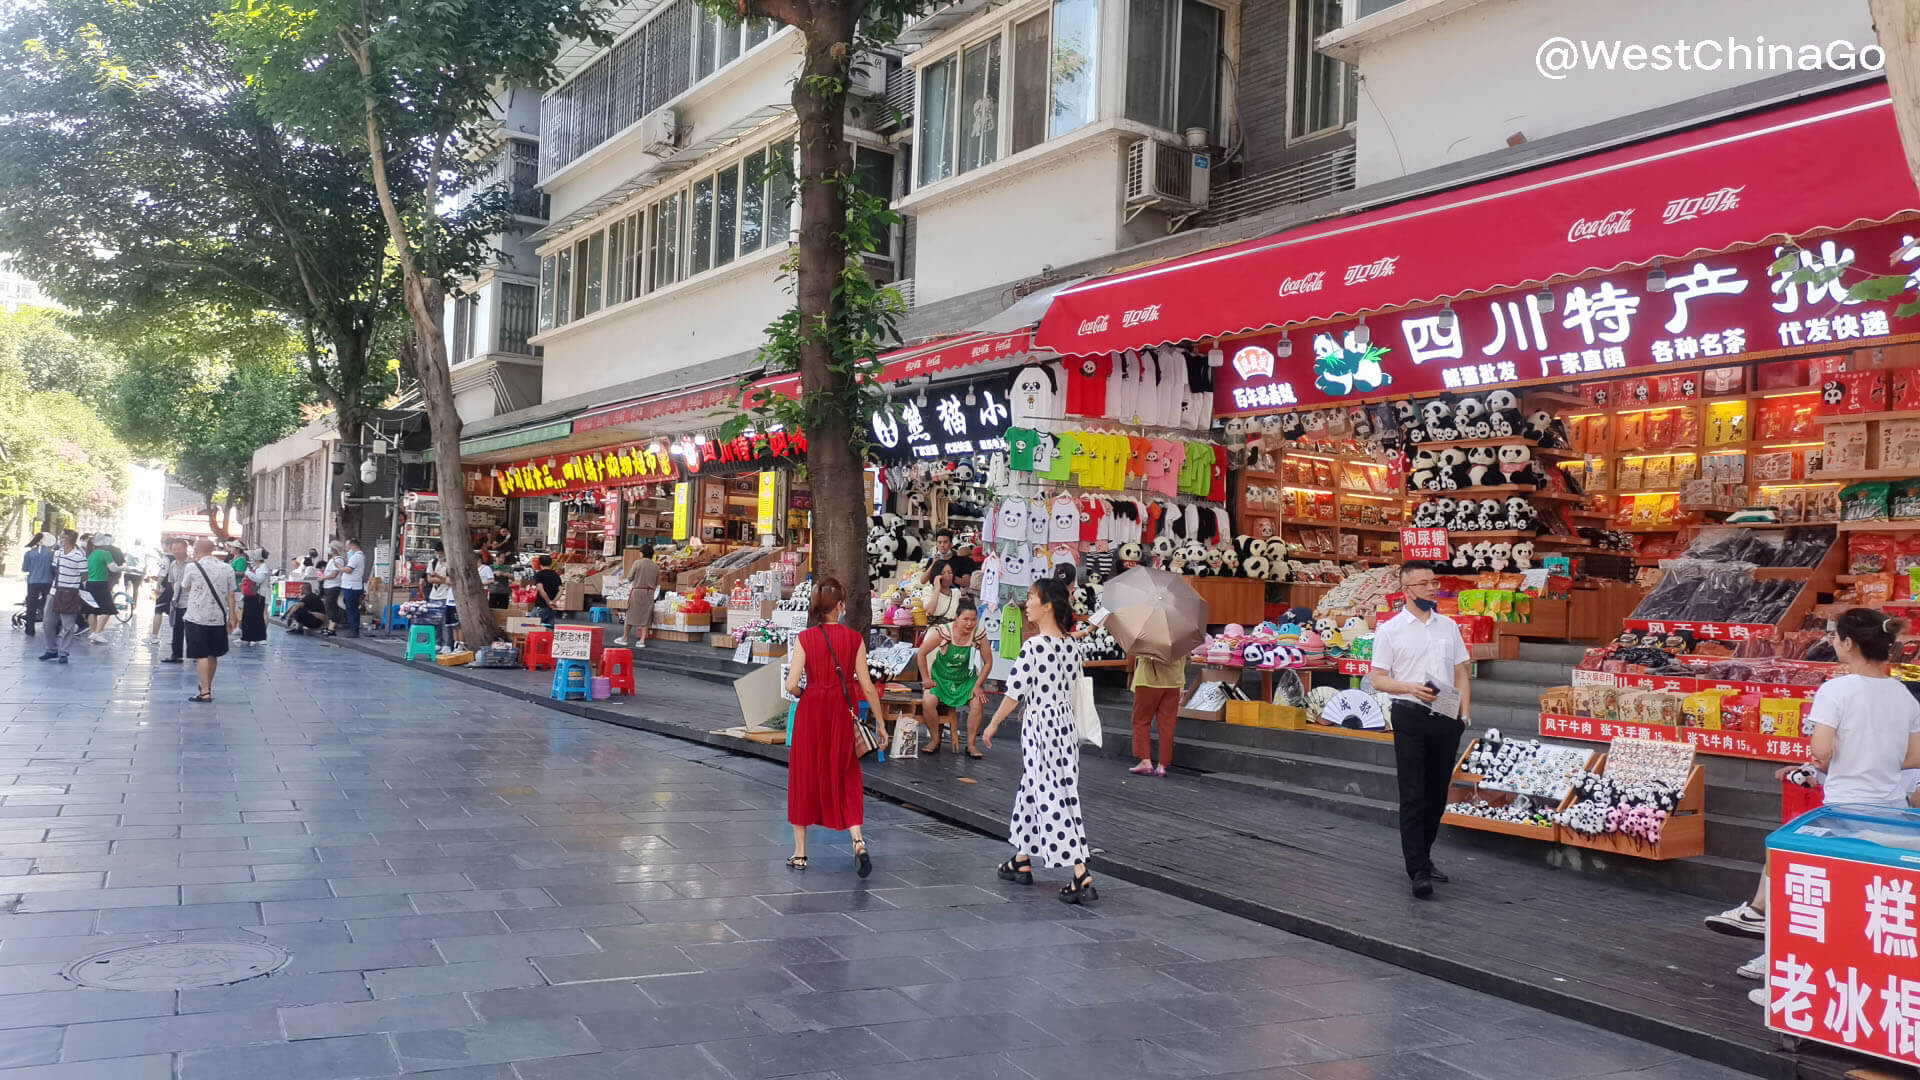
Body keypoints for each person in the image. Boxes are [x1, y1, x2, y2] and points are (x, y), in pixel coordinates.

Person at [1703, 609, 1920, 992]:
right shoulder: (1903, 694)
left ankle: (1767, 933)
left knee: (1794, 868)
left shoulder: (1836, 690)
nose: (1834, 643)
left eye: (1836, 637)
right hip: (1891, 813)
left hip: (1842, 812)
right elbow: (1914, 757)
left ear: (1849, 643)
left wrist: (1830, 761)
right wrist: (1872, 757)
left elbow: (1821, 752)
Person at [982, 567, 1096, 904]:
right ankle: (1021, 859)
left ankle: (1080, 873)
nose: (1027, 604)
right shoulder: (1071, 648)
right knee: (1035, 789)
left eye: (1032, 598)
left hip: (1040, 725)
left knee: (1049, 794)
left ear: (1047, 606)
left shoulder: (1034, 648)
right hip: (1064, 725)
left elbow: (1014, 692)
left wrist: (992, 724)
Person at [1369, 561, 1472, 899]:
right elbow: (1378, 678)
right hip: (1410, 714)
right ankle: (1417, 870)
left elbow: (1460, 671)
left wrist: (1464, 713)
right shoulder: (1391, 630)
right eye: (1424, 583)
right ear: (1407, 590)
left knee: (1436, 794)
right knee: (1413, 794)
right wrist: (1408, 687)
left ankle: (1425, 856)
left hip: (1446, 715)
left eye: (1434, 582)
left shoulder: (1449, 627)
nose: (1432, 588)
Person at [782, 577, 887, 876]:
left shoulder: (805, 638)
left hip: (811, 713)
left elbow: (792, 684)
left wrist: (807, 694)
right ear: (839, 606)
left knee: (804, 776)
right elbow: (866, 686)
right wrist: (879, 723)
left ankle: (800, 854)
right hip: (842, 713)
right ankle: (857, 841)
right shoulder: (854, 639)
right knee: (846, 775)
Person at [916, 597, 991, 757]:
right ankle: (935, 740)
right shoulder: (943, 632)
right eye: (966, 619)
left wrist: (978, 686)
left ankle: (971, 745)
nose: (970, 624)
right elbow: (921, 653)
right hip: (941, 678)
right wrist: (926, 679)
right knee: (928, 701)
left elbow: (988, 663)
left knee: (978, 704)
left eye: (973, 620)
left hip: (966, 680)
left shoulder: (979, 634)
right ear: (957, 618)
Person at [176, 538, 237, 702]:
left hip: (196, 617)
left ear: (196, 550)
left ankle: (204, 692)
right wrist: (233, 616)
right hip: (218, 617)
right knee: (213, 654)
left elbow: (185, 587)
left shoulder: (192, 567)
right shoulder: (227, 568)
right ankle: (207, 686)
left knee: (201, 655)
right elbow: (232, 594)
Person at [1128, 645, 1188, 778]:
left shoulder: (1148, 634)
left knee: (1141, 721)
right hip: (1173, 681)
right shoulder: (1179, 635)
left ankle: (1145, 760)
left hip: (1148, 680)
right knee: (1168, 724)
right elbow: (1183, 659)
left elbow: (1140, 653)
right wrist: (1181, 684)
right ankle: (1162, 765)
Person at [38, 531, 89, 663]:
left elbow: (84, 576)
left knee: (68, 625)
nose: (60, 539)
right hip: (54, 592)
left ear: (68, 540)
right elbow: (55, 570)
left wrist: (75, 585)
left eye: (62, 537)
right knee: (47, 622)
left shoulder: (79, 556)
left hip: (69, 593)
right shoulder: (58, 553)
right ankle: (51, 649)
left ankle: (63, 652)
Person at [616, 545, 660, 648]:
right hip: (650, 593)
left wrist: (622, 582)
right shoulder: (656, 566)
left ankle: (625, 638)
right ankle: (642, 640)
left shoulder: (637, 563)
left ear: (642, 553)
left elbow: (630, 577)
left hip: (637, 591)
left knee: (631, 614)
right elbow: (658, 582)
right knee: (646, 617)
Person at [83, 532, 120, 643]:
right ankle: (98, 633)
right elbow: (113, 568)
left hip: (90, 584)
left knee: (91, 611)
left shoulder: (90, 554)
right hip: (101, 584)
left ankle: (94, 634)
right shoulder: (105, 553)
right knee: (108, 609)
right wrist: (124, 568)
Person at [425, 540, 460, 653]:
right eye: (437, 553)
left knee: (446, 622)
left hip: (446, 595)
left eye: (440, 552)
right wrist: (441, 579)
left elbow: (450, 581)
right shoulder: (433, 562)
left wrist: (438, 577)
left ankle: (447, 644)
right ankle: (437, 642)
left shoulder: (450, 563)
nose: (439, 555)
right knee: (435, 621)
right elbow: (429, 579)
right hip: (434, 595)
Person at [159, 538, 190, 662]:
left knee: (191, 630)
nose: (175, 552)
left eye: (178, 549)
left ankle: (196, 654)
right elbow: (172, 582)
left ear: (185, 549)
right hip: (177, 601)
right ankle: (176, 654)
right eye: (173, 549)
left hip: (191, 601)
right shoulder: (172, 564)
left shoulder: (192, 564)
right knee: (177, 628)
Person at [20, 532, 52, 638]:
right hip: (47, 581)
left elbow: (25, 569)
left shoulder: (29, 554)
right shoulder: (51, 553)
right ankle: (52, 628)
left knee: (31, 605)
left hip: (33, 581)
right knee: (49, 606)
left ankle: (30, 629)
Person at [239, 548, 271, 646]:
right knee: (247, 616)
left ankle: (259, 637)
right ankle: (246, 636)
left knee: (257, 617)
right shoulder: (256, 567)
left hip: (259, 595)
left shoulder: (263, 567)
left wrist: (248, 573)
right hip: (251, 594)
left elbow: (259, 579)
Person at [919, 560, 963, 625]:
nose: (947, 576)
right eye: (942, 573)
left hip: (952, 630)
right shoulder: (928, 590)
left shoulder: (956, 592)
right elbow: (930, 611)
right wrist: (937, 588)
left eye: (950, 572)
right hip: (935, 631)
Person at [340, 538, 367, 638]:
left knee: (352, 608)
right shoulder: (357, 556)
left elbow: (348, 570)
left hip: (352, 586)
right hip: (350, 585)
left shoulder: (357, 557)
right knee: (350, 607)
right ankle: (352, 628)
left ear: (353, 546)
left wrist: (340, 567)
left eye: (347, 547)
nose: (347, 549)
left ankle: (354, 629)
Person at [530, 555, 564, 627]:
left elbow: (540, 589)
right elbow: (561, 590)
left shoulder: (539, 575)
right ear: (551, 563)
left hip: (541, 607)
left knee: (531, 626)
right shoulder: (556, 575)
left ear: (539, 564)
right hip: (551, 609)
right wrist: (553, 602)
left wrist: (548, 601)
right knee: (549, 630)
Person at [319, 542, 344, 634]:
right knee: (328, 607)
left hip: (333, 586)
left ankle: (332, 627)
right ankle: (329, 625)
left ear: (334, 549)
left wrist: (323, 578)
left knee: (331, 606)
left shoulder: (338, 560)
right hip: (328, 586)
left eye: (330, 547)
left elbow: (334, 574)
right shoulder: (331, 560)